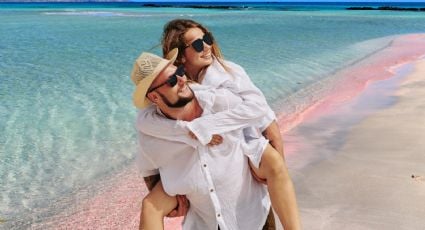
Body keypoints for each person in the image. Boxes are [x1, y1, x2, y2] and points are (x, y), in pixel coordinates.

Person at [137, 19, 301, 229]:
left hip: (248, 145)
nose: (206, 46)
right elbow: (147, 130)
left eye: (207, 39)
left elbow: (262, 113)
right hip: (206, 205)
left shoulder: (227, 75)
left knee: (275, 164)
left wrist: (208, 125)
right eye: (197, 44)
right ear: (181, 58)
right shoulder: (180, 90)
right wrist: (187, 130)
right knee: (151, 205)